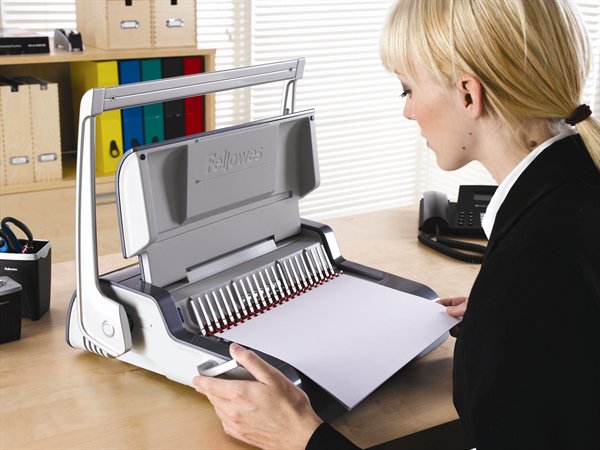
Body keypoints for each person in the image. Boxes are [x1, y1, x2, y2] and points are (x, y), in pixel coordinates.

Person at [192, 0, 600, 448]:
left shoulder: (534, 267)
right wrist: (499, 323)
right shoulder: (573, 197)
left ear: (468, 93)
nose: (408, 111)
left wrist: (302, 437)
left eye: (407, 90)